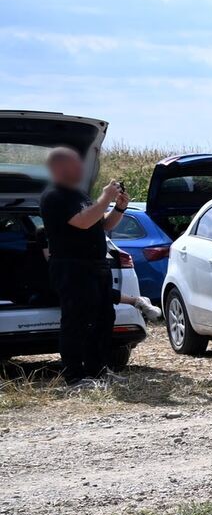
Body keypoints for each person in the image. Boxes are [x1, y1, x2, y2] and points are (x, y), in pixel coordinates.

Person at [39, 146, 128, 387]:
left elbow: (103, 224)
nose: (81, 167)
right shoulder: (54, 196)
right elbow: (82, 222)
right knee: (76, 320)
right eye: (74, 164)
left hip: (97, 265)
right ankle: (74, 376)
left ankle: (98, 370)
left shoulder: (80, 195)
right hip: (71, 267)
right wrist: (105, 198)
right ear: (59, 168)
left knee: (102, 319)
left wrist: (119, 207)